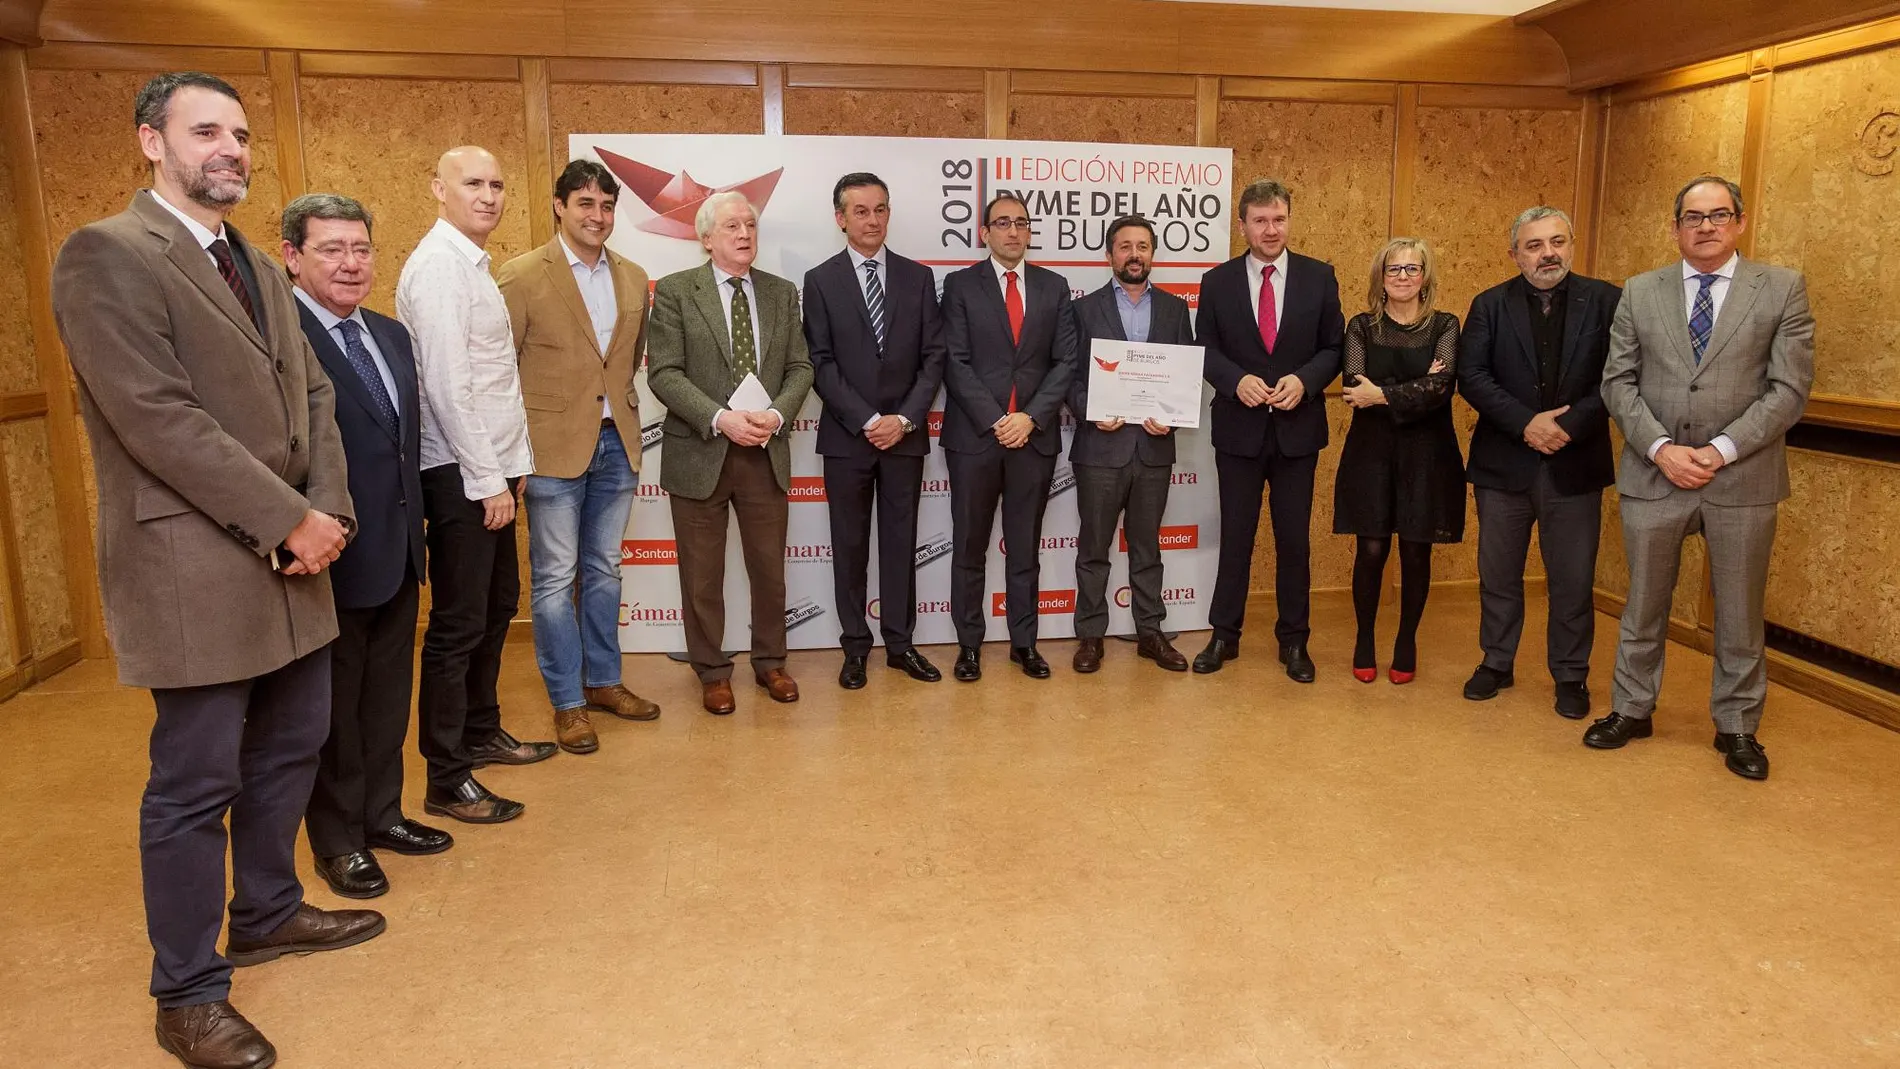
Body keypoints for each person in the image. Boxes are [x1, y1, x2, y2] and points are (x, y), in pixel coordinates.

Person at [52, 72, 382, 1069]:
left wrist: (327, 513)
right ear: (152, 142)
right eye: (206, 131)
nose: (230, 147)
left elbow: (316, 395)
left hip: (296, 560)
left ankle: (269, 908)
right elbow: (156, 418)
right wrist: (286, 519)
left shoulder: (251, 258)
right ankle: (187, 991)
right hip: (194, 560)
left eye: (239, 132)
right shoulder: (105, 254)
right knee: (194, 780)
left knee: (293, 744)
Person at [1588, 174, 1814, 780]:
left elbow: (1788, 390)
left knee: (1739, 611)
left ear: (1740, 222)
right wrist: (1661, 447)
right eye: (1693, 216)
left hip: (1742, 480)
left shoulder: (1782, 289)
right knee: (1643, 605)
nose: (1706, 226)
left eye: (1718, 215)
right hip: (1654, 474)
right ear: (1676, 228)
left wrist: (1718, 450)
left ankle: (1737, 725)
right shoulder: (1640, 292)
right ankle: (1632, 709)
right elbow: (1618, 382)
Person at [283, 193, 452, 900]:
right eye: (331, 249)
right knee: (332, 715)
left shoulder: (389, 335)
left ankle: (384, 815)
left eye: (360, 248)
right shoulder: (280, 337)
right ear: (292, 256)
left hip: (397, 553)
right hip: (328, 558)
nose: (351, 264)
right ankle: (339, 841)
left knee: (386, 702)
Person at [397, 145, 557, 825]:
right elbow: (447, 385)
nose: (489, 195)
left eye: (497, 183)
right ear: (438, 188)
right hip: (460, 472)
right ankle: (446, 774)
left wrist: (510, 471)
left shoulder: (472, 264)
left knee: (496, 606)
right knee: (459, 624)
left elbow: (493, 381)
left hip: (492, 469)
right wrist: (488, 479)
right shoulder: (437, 268)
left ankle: (480, 729)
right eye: (473, 183)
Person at [498, 159, 660, 755]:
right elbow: (502, 368)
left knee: (604, 572)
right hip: (549, 449)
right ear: (560, 207)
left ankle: (604, 683)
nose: (598, 216)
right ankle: (567, 702)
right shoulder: (519, 276)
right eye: (586, 203)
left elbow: (626, 360)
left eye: (608, 205)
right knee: (553, 580)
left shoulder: (634, 276)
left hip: (617, 442)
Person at [646, 191, 814, 714]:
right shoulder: (675, 292)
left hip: (765, 448)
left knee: (769, 569)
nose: (744, 234)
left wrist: (778, 414)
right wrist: (721, 418)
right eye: (731, 227)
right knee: (701, 575)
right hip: (701, 450)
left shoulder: (781, 292)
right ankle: (712, 671)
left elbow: (801, 368)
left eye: (750, 225)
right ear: (705, 238)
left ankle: (771, 662)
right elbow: (664, 372)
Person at [1457, 206, 1621, 718]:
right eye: (1534, 245)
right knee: (1498, 574)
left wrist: (1565, 426)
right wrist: (1527, 423)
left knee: (1572, 580)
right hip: (1504, 465)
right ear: (1514, 254)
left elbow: (1619, 376)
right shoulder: (1489, 305)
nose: (1548, 253)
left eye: (1557, 242)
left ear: (1572, 245)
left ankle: (1571, 674)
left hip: (1576, 463)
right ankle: (1497, 661)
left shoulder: (1608, 301)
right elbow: (1473, 376)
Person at [1193, 179, 1344, 681]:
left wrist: (1305, 380)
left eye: (1278, 219)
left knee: (1293, 539)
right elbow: (1206, 349)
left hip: (1298, 432)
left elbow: (1333, 348)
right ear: (1242, 226)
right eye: (1260, 220)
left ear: (1289, 221)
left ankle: (1294, 641)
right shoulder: (1216, 282)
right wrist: (1236, 381)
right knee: (1236, 536)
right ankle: (1224, 635)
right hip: (1238, 432)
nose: (1270, 229)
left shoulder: (1320, 277)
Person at [803, 172, 947, 690]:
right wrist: (867, 420)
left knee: (900, 544)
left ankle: (900, 643)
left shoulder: (919, 277)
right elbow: (820, 363)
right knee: (849, 546)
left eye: (880, 209)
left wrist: (904, 419)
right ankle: (854, 647)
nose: (872, 220)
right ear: (841, 219)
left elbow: (934, 358)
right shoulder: (820, 280)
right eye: (860, 211)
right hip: (847, 439)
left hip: (904, 437)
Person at [939, 193, 1079, 681]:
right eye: (1002, 223)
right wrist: (998, 418)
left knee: (1025, 549)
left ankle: (1025, 644)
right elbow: (952, 361)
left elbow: (1065, 362)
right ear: (984, 233)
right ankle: (969, 646)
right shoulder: (959, 286)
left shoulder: (1054, 287)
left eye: (1021, 223)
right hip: (975, 439)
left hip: (1032, 440)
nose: (1013, 232)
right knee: (969, 547)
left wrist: (1030, 418)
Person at [1333, 238, 1465, 684]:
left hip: (1428, 454)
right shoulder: (1361, 327)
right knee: (1371, 549)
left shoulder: (1445, 325)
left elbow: (1442, 387)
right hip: (1371, 452)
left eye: (1413, 269)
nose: (1403, 277)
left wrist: (1383, 393)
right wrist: (1414, 388)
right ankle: (1365, 639)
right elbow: (1355, 387)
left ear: (1425, 276)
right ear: (1381, 277)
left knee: (1415, 548)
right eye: (1394, 269)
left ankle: (1406, 640)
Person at [1067, 215, 1193, 674]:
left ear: (1153, 254)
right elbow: (1069, 376)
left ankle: (1150, 633)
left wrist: (1173, 419)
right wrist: (1090, 409)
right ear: (1110, 255)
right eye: (1125, 247)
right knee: (1094, 548)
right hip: (1100, 450)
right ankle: (1090, 636)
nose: (1134, 254)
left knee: (1147, 550)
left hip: (1153, 450)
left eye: (1142, 246)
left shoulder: (1177, 310)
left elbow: (1185, 378)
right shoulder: (1082, 310)